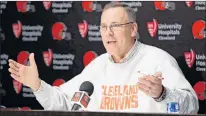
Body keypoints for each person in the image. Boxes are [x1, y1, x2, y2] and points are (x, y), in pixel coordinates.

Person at [8, 2, 198, 113]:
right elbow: (64, 102)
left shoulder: (158, 60)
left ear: (133, 29)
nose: (108, 33)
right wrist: (37, 86)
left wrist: (162, 94)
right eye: (104, 27)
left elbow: (192, 105)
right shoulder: (96, 67)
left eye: (115, 26)